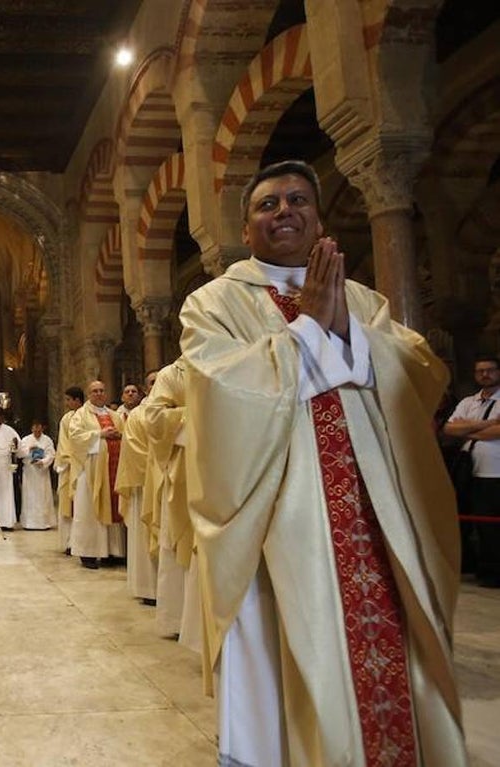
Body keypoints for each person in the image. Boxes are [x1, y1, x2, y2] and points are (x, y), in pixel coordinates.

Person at [180, 159, 467, 765]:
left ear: (319, 216)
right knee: (288, 644)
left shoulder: (363, 298)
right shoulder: (213, 302)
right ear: (245, 223)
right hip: (280, 514)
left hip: (375, 509)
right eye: (267, 204)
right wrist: (312, 328)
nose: (283, 211)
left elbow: (418, 373)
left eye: (297, 200)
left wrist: (350, 333)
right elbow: (216, 388)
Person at [140, 362, 195, 642]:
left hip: (227, 468)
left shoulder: (233, 360)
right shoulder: (173, 374)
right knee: (182, 542)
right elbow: (154, 417)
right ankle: (179, 619)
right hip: (186, 468)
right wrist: (198, 414)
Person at [443, 355, 500, 587]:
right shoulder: (469, 401)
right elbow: (449, 428)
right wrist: (487, 424)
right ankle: (481, 567)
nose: (485, 374)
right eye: (480, 371)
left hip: (496, 471)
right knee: (479, 524)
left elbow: (497, 433)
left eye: (490, 370)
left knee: (494, 525)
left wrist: (466, 429)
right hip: (470, 470)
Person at [63, 380, 126, 569]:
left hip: (113, 468)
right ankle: (88, 552)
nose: (98, 394)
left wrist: (118, 436)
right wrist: (100, 434)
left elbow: (125, 435)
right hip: (89, 470)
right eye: (94, 391)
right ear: (89, 394)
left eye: (101, 390)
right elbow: (75, 438)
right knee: (88, 510)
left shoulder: (115, 415)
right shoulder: (80, 415)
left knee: (113, 505)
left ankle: (112, 551)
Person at [115, 376, 156, 603]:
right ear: (145, 389)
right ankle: (149, 588)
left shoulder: (182, 408)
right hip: (147, 483)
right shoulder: (138, 416)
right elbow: (134, 451)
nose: (157, 384)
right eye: (152, 382)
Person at [53, 386, 85, 555]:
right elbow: (64, 443)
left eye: (68, 399)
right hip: (70, 467)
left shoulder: (88, 416)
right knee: (68, 507)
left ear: (77, 400)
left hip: (86, 467)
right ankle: (69, 542)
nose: (66, 403)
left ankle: (82, 542)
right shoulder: (67, 419)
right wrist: (67, 460)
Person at [17, 419, 56, 530]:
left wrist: (43, 462)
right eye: (35, 428)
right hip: (30, 472)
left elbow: (51, 454)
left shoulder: (47, 440)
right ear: (32, 428)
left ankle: (44, 523)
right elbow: (20, 454)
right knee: (29, 497)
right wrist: (29, 449)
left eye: (39, 428)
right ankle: (29, 523)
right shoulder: (26, 440)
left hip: (41, 472)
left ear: (42, 428)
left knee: (43, 497)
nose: (37, 431)